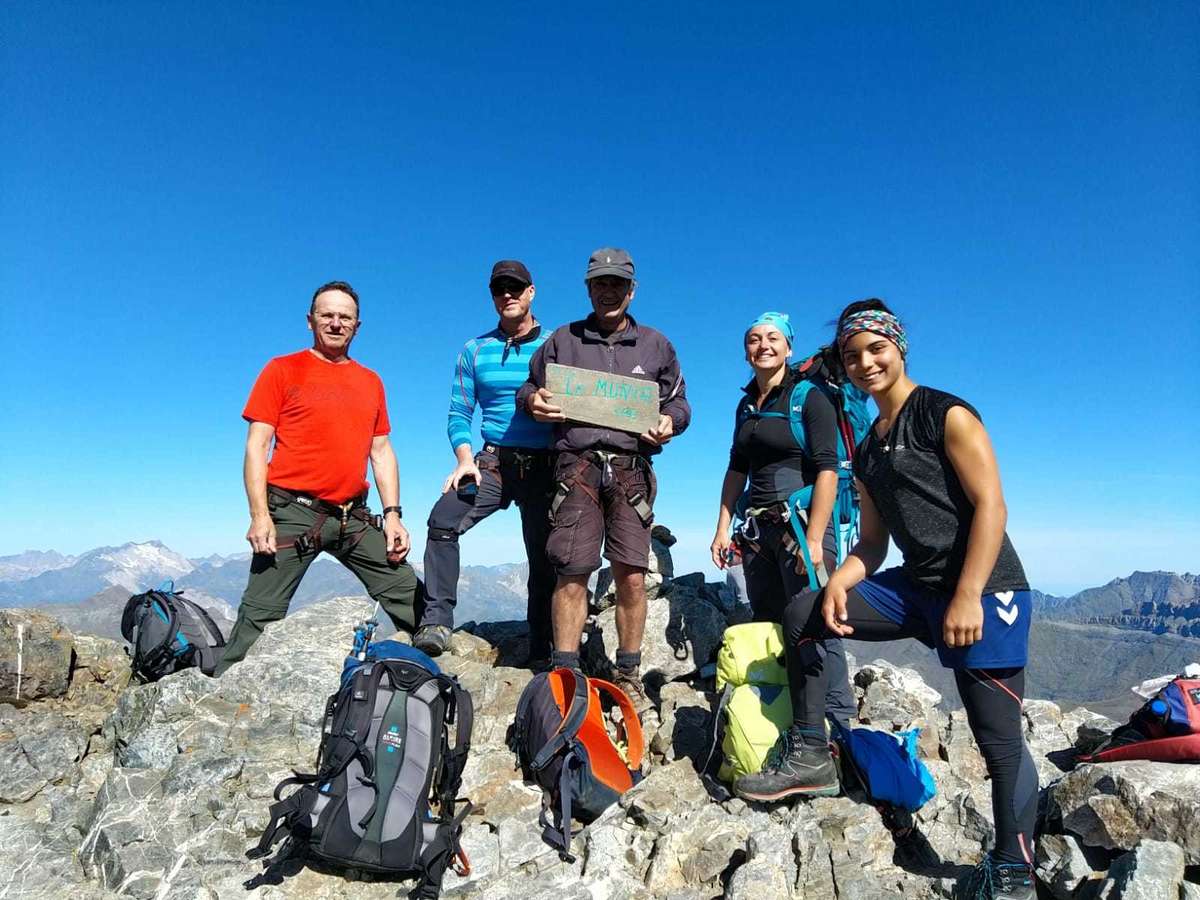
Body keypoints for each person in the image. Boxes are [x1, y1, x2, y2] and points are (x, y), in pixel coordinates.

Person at [734, 300, 1037, 900]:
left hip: (987, 589)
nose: (865, 362)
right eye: (852, 355)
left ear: (898, 347)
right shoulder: (868, 448)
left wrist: (969, 594)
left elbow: (992, 508)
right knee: (804, 614)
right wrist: (839, 584)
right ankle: (813, 752)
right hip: (918, 588)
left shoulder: (945, 415)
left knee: (995, 735)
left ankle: (1014, 865)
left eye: (876, 348)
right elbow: (872, 542)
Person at [215, 281, 420, 675]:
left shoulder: (371, 381)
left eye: (345, 317)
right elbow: (257, 446)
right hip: (293, 512)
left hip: (352, 516)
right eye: (327, 315)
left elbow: (381, 452)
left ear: (358, 326)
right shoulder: (282, 369)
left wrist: (392, 514)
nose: (336, 323)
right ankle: (223, 685)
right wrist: (260, 516)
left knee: (408, 591)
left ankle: (433, 667)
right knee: (260, 615)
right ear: (310, 321)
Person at [516, 247, 690, 710]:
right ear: (588, 288)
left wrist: (671, 421)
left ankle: (628, 671)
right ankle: (565, 670)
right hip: (577, 469)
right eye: (599, 283)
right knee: (572, 569)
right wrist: (533, 401)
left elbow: (678, 403)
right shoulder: (563, 341)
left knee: (631, 574)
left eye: (617, 283)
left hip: (632, 472)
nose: (608, 290)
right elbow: (530, 388)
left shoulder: (657, 345)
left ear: (631, 290)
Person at [710, 312, 856, 730]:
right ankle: (788, 714)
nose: (763, 345)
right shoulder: (746, 405)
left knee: (816, 620)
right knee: (771, 619)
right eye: (754, 339)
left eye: (773, 338)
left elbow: (827, 468)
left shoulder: (809, 397)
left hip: (802, 526)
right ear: (746, 351)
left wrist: (814, 538)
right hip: (758, 532)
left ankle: (838, 723)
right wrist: (722, 526)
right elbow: (736, 469)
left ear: (789, 348)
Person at [413, 260, 555, 665]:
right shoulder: (475, 350)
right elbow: (459, 413)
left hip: (546, 464)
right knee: (443, 520)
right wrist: (463, 460)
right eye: (499, 289)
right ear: (493, 297)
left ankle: (542, 646)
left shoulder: (556, 345)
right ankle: (437, 621)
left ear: (531, 292)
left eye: (515, 287)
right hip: (492, 462)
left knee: (545, 556)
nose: (507, 295)